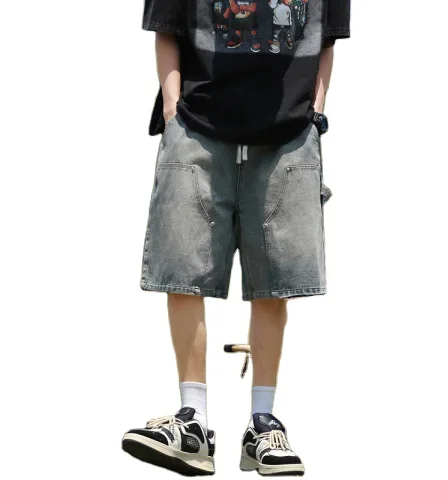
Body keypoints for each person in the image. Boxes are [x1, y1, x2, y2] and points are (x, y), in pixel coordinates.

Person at [122, 0, 350, 476]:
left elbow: (325, 37)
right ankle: (193, 421)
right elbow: (166, 27)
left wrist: (316, 112)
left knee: (274, 277)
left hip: (289, 131)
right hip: (197, 125)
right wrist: (172, 110)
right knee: (183, 267)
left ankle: (262, 425)